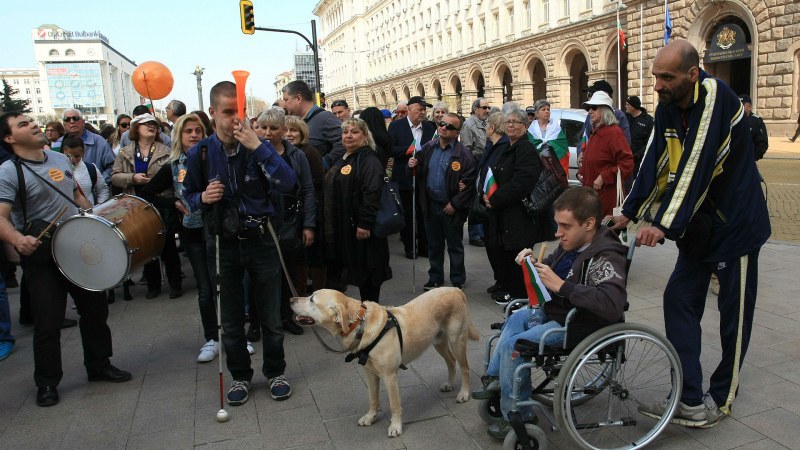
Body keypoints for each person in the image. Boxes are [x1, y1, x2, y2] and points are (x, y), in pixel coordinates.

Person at [610, 40, 770, 429]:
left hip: (738, 226)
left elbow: (696, 163)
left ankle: (721, 398)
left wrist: (663, 224)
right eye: (655, 78)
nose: (658, 86)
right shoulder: (668, 105)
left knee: (733, 318)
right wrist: (628, 212)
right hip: (700, 227)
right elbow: (656, 159)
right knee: (678, 299)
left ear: (692, 75)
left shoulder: (716, 96)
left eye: (667, 77)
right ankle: (689, 397)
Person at [0, 112, 132, 407]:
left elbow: (77, 197)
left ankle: (99, 365)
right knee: (48, 321)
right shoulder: (9, 172)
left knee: (95, 311)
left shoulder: (60, 160)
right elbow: (1, 218)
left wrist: (94, 216)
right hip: (42, 255)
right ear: (9, 139)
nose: (33, 124)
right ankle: (47, 382)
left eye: (31, 121)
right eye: (22, 124)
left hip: (77, 247)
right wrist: (19, 240)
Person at [476, 187, 628, 439]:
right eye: (557, 225)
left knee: (516, 345)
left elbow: (612, 302)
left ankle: (520, 416)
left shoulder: (607, 255)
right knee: (514, 317)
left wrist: (562, 286)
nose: (558, 233)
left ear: (589, 223)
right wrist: (533, 264)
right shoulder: (573, 245)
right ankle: (496, 381)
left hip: (581, 324)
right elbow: (554, 271)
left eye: (565, 226)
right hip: (557, 313)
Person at [184, 80, 297, 406]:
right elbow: (188, 196)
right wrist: (203, 197)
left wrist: (259, 147)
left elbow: (288, 183)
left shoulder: (257, 145)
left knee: (271, 315)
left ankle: (275, 371)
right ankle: (240, 376)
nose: (236, 119)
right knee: (231, 317)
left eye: (240, 112)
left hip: (262, 238)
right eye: (228, 112)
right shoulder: (200, 153)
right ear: (213, 113)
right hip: (223, 243)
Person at [140, 114, 218, 362]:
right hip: (193, 232)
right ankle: (212, 338)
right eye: (188, 131)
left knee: (227, 286)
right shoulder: (173, 165)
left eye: (198, 130)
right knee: (205, 288)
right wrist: (173, 201)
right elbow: (147, 191)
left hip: (221, 231)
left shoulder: (218, 158)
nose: (194, 135)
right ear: (179, 136)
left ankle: (235, 335)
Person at [256, 109, 316, 336]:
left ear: (283, 130)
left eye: (274, 128)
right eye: (263, 128)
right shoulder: (252, 154)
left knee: (288, 273)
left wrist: (309, 225)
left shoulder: (296, 156)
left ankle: (286, 317)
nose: (268, 133)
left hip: (291, 223)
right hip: (261, 224)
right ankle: (259, 320)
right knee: (262, 276)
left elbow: (308, 190)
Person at [111, 113, 182, 300]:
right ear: (136, 129)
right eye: (146, 124)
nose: (151, 126)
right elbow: (115, 176)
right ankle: (153, 285)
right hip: (137, 204)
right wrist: (132, 178)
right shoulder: (125, 152)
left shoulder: (166, 150)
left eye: (154, 124)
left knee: (168, 246)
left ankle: (175, 284)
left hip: (161, 203)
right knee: (146, 244)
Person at [323, 118, 392, 301]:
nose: (348, 136)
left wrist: (365, 223)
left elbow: (372, 193)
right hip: (346, 228)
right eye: (345, 132)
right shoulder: (345, 157)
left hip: (363, 230)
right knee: (357, 273)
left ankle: (371, 315)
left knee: (368, 276)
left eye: (354, 132)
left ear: (364, 136)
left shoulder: (369, 160)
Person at [408, 113, 476, 290]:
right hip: (430, 205)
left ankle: (457, 279)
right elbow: (419, 174)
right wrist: (413, 166)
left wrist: (454, 204)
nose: (444, 127)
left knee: (454, 246)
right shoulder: (428, 148)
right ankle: (435, 277)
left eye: (450, 127)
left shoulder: (464, 155)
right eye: (442, 123)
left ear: (457, 132)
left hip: (451, 207)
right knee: (434, 245)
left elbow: (469, 185)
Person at [482, 109, 542, 306]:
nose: (511, 125)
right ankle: (509, 290)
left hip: (519, 215)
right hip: (504, 213)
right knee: (505, 254)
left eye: (516, 122)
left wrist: (495, 199)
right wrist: (487, 195)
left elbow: (521, 183)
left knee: (517, 256)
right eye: (508, 122)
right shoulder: (509, 146)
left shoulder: (525, 149)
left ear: (525, 126)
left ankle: (519, 299)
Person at [389, 96, 437, 259]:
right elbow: (391, 149)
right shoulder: (396, 126)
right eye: (420, 109)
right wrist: (410, 150)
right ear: (409, 110)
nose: (423, 113)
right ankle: (410, 247)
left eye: (425, 110)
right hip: (404, 178)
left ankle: (424, 247)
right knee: (408, 215)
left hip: (424, 177)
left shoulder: (430, 127)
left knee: (424, 213)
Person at [284, 115, 326, 297]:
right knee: (299, 259)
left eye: (293, 130)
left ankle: (317, 296)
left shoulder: (308, 152)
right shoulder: (284, 152)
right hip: (293, 213)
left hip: (309, 211)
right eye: (285, 130)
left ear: (302, 133)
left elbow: (316, 183)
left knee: (313, 256)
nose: (288, 134)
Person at [577, 91, 634, 217]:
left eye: (594, 108)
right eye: (589, 108)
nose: (590, 111)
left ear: (604, 110)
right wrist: (582, 171)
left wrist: (604, 176)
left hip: (606, 200)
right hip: (592, 199)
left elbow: (627, 164)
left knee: (604, 235)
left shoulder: (614, 133)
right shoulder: (596, 131)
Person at [478, 112, 510, 297]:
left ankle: (504, 282)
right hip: (487, 204)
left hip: (496, 204)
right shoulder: (492, 145)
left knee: (498, 247)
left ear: (492, 127)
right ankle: (499, 280)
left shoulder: (503, 145)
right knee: (491, 245)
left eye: (487, 125)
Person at [282, 80, 344, 169]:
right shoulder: (298, 121)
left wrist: (324, 163)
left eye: (286, 100)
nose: (284, 105)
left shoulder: (325, 118)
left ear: (298, 98)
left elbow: (344, 142)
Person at [57, 109, 116, 184]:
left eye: (75, 118)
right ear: (64, 124)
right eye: (67, 119)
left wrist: (98, 183)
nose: (72, 122)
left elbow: (112, 166)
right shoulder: (58, 144)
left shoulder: (98, 141)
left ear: (83, 122)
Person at [461, 98, 490, 248]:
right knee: (474, 201)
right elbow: (466, 149)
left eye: (488, 107)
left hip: (485, 162)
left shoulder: (486, 122)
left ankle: (483, 232)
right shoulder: (469, 124)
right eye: (484, 107)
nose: (487, 110)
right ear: (475, 109)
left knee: (483, 199)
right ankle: (475, 234)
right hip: (475, 163)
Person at [61, 136, 109, 206]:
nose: (73, 159)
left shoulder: (91, 168)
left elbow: (102, 189)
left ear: (83, 153)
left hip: (88, 214)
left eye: (77, 156)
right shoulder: (56, 170)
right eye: (69, 156)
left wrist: (99, 207)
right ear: (63, 152)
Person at [580, 80, 631, 146]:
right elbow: (582, 137)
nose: (590, 98)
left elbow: (625, 144)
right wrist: (581, 152)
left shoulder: (619, 116)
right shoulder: (590, 115)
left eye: (591, 94)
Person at [527, 99, 570, 175]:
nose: (547, 111)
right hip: (536, 167)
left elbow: (562, 147)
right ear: (537, 114)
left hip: (553, 168)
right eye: (543, 110)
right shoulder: (531, 130)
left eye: (548, 109)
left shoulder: (556, 128)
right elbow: (529, 148)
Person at [624, 95, 654, 186]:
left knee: (637, 184)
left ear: (634, 106)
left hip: (639, 160)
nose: (625, 107)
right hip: (625, 158)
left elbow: (650, 141)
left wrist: (639, 154)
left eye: (628, 105)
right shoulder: (624, 118)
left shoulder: (648, 121)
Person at [739, 95, 769, 161]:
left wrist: (754, 158)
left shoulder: (756, 121)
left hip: (749, 159)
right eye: (738, 104)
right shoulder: (732, 120)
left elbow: (763, 143)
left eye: (742, 105)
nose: (739, 107)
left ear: (749, 107)